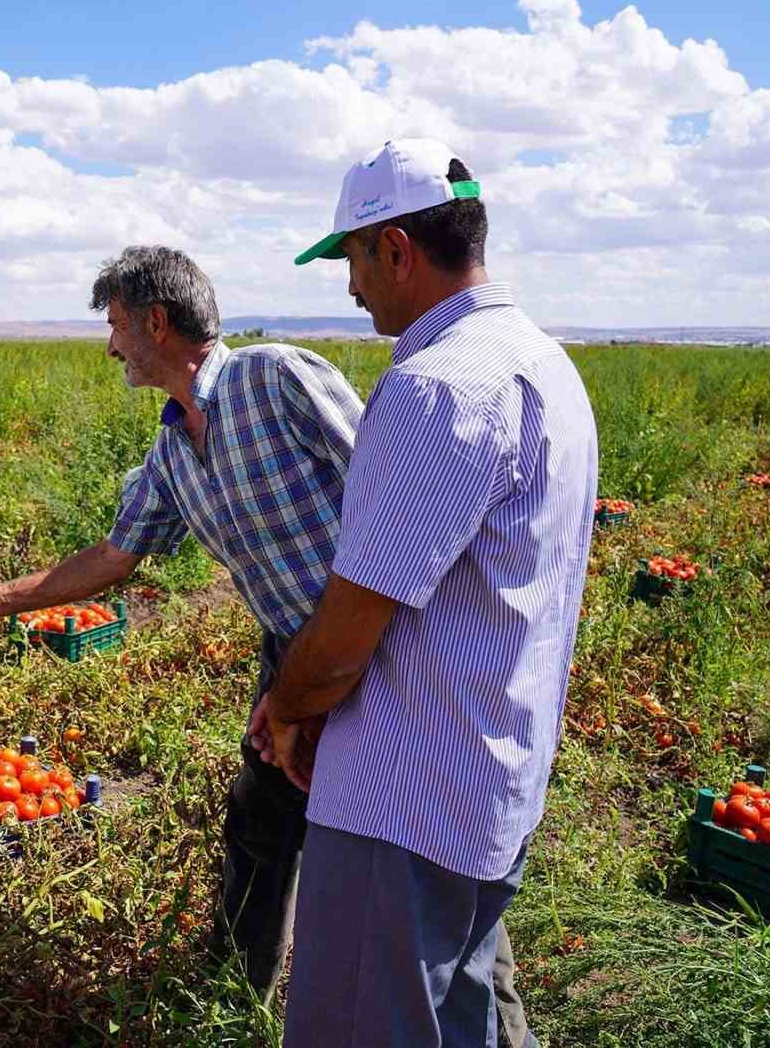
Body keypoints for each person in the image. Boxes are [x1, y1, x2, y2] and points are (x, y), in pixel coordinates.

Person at [0, 246, 528, 1034]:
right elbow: (115, 556)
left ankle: (493, 1018)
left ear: (157, 322)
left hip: (383, 650)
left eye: (118, 325)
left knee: (420, 855)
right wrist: (1, 596)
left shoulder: (276, 376)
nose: (111, 345)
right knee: (261, 826)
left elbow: (391, 481)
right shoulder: (170, 452)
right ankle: (236, 989)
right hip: (290, 659)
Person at [250, 138, 598, 1047]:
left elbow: (351, 625)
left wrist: (285, 707)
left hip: (401, 807)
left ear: (396, 248)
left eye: (354, 260)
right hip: (490, 784)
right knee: (452, 1021)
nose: (352, 287)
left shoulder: (439, 387)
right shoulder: (544, 366)